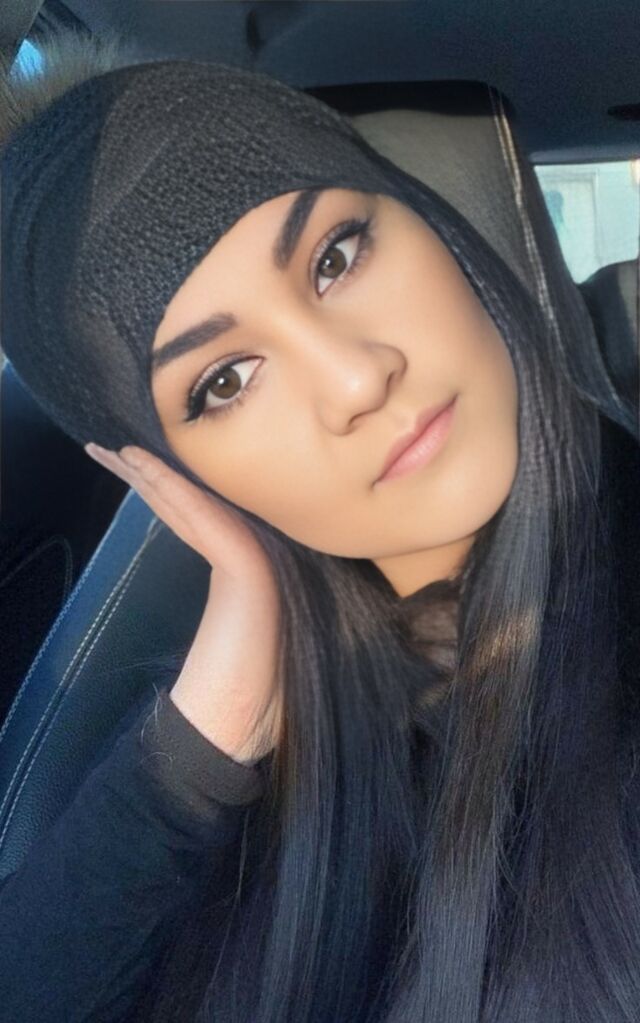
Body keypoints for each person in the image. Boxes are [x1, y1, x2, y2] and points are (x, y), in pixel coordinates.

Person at [1, 28, 640, 1023]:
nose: (355, 379)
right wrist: (204, 742)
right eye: (224, 382)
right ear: (173, 474)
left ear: (433, 222)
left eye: (336, 256)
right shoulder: (245, 747)